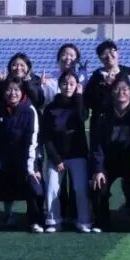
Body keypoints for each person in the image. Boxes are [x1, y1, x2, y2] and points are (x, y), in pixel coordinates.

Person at [0, 77, 43, 234]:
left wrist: (31, 167)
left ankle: (35, 220)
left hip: (21, 158)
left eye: (16, 90)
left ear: (22, 92)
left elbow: (32, 142)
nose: (12, 93)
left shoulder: (30, 111)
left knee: (34, 180)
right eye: (9, 90)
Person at [90, 79, 130, 234]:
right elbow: (97, 143)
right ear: (112, 92)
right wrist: (98, 169)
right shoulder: (103, 112)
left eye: (125, 89)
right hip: (109, 161)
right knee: (98, 184)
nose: (121, 92)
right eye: (117, 89)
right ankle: (101, 221)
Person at [41, 71, 93, 233]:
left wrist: (79, 96)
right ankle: (53, 220)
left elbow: (83, 116)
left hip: (77, 155)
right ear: (59, 85)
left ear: (76, 86)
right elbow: (46, 136)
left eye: (71, 84)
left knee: (80, 188)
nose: (68, 87)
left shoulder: (79, 103)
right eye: (64, 83)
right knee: (52, 188)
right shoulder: (51, 108)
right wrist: (56, 159)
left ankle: (84, 220)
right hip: (57, 157)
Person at [84, 40, 130, 115]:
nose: (108, 56)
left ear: (117, 52)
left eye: (111, 51)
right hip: (103, 119)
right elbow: (90, 102)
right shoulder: (96, 77)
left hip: (127, 118)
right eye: (104, 54)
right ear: (100, 58)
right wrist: (106, 86)